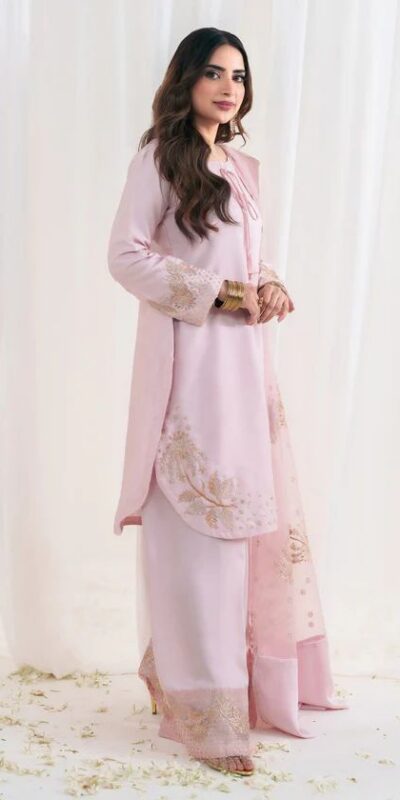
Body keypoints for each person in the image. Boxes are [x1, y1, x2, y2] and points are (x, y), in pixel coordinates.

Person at [107, 27, 349, 777]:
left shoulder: (240, 169)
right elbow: (125, 255)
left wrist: (268, 283)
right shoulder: (160, 157)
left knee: (241, 530)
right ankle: (205, 715)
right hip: (190, 370)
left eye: (238, 76)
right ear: (184, 80)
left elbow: (244, 257)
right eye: (213, 73)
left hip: (245, 371)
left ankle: (221, 686)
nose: (227, 87)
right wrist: (221, 294)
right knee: (197, 534)